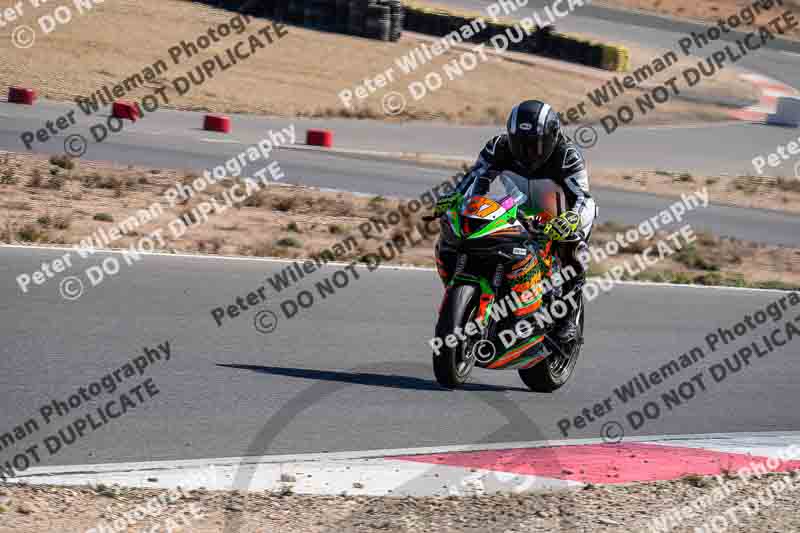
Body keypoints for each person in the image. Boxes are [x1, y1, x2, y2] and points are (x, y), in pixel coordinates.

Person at [433, 99, 597, 343]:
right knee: (461, 231)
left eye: (535, 145)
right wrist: (455, 197)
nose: (527, 152)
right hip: (514, 209)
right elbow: (475, 178)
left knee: (572, 246)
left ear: (552, 137)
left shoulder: (567, 156)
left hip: (559, 214)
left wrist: (571, 219)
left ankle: (567, 317)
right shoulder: (498, 147)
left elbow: (583, 198)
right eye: (520, 144)